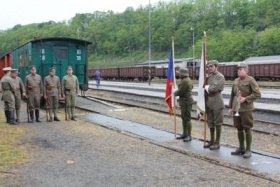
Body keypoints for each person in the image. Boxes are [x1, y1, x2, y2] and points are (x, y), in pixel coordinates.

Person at [228, 62, 261, 158]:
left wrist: (246, 99)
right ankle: (241, 147)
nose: (239, 71)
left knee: (247, 128)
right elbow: (232, 95)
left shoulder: (251, 80)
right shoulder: (235, 81)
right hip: (236, 108)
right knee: (238, 127)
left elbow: (257, 94)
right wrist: (230, 107)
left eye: (241, 69)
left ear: (246, 70)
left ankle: (248, 149)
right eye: (238, 69)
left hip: (246, 108)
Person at [204, 60, 225, 150]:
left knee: (218, 123)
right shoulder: (209, 77)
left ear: (216, 67)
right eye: (209, 67)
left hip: (217, 100)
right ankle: (212, 140)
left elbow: (214, 88)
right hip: (209, 100)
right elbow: (206, 88)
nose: (210, 68)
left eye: (212, 66)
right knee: (210, 122)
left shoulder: (220, 77)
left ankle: (217, 142)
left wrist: (207, 88)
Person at [174, 68, 195, 142]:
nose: (179, 74)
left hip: (186, 102)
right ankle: (185, 133)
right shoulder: (187, 79)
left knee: (187, 118)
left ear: (182, 74)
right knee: (184, 118)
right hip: (185, 101)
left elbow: (180, 92)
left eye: (179, 73)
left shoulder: (185, 81)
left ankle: (188, 135)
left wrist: (174, 92)